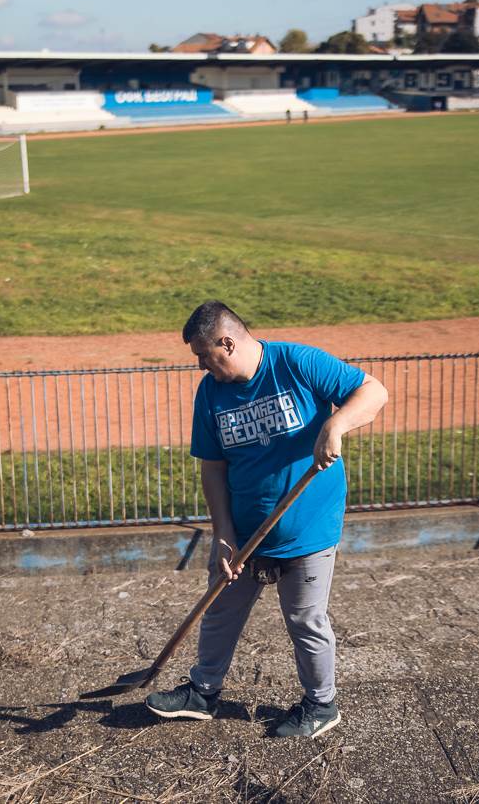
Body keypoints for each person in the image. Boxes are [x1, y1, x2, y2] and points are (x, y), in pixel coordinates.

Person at [145, 301, 387, 738]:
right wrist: (222, 533)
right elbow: (213, 467)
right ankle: (203, 692)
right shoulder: (210, 393)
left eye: (204, 355)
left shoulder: (297, 362)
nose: (201, 365)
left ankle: (321, 705)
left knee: (305, 620)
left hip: (307, 527)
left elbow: (373, 392)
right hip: (243, 531)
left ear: (227, 343)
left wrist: (335, 425)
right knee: (220, 610)